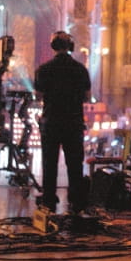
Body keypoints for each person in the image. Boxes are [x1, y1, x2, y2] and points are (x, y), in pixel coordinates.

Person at [34, 31, 92, 214]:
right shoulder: (80, 69)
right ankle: (76, 202)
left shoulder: (43, 69)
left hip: (51, 122)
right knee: (75, 164)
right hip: (73, 123)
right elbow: (87, 97)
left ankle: (48, 201)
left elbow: (39, 96)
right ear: (70, 46)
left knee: (49, 163)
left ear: (53, 46)